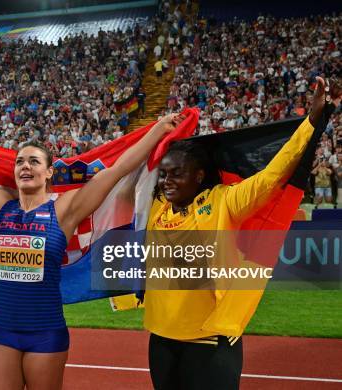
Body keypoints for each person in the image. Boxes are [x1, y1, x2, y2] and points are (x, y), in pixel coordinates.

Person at [0, 114, 185, 389]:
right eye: (20, 162)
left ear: (49, 172)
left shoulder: (63, 210)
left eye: (34, 161)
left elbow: (117, 170)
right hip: (2, 332)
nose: (25, 167)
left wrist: (158, 129)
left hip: (45, 333)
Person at [144, 76, 338, 389]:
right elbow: (138, 166)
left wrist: (312, 121)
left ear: (199, 175)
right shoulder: (157, 207)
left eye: (176, 174)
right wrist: (160, 131)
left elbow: (270, 178)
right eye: (164, 174)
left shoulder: (221, 200)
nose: (167, 181)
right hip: (162, 339)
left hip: (209, 340)